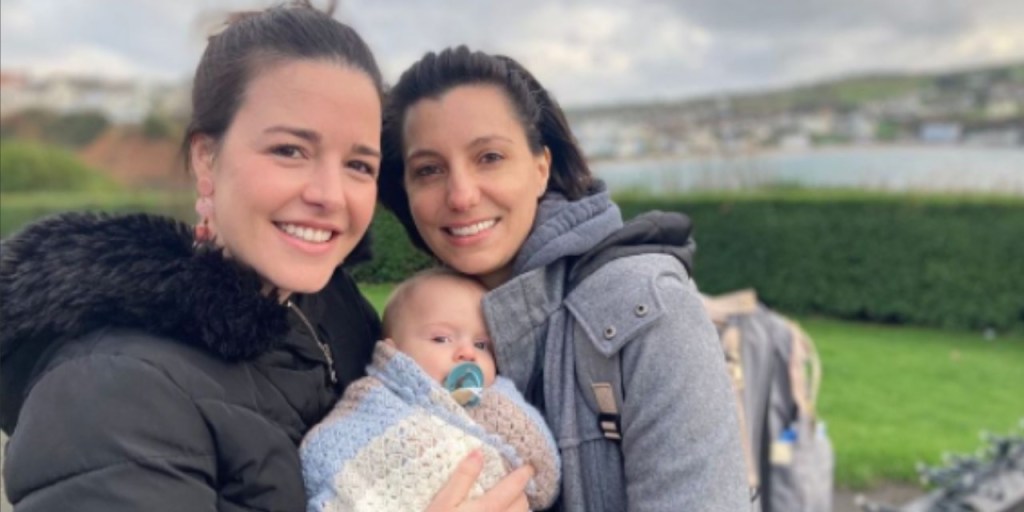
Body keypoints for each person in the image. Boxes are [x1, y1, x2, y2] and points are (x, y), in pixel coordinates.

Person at [0, 6, 530, 512]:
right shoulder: (108, 393)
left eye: (358, 165)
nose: (330, 195)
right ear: (206, 159)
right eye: (290, 150)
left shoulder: (333, 307)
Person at [379, 45, 750, 511]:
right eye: (429, 170)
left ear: (541, 169)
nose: (461, 195)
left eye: (489, 157)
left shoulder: (647, 311)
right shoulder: (414, 320)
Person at [301, 268, 560, 511]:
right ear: (392, 351)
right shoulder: (373, 407)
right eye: (441, 339)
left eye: (481, 345)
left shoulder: (501, 402)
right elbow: (334, 460)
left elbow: (538, 468)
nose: (468, 353)